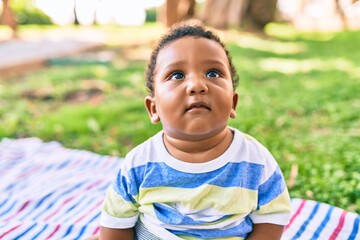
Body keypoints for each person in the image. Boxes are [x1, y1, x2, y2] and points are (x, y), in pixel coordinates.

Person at [99, 23, 292, 240]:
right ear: (154, 109)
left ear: (232, 103)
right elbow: (115, 222)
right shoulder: (140, 164)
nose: (197, 85)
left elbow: (272, 217)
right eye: (177, 75)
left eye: (213, 73)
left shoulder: (254, 161)